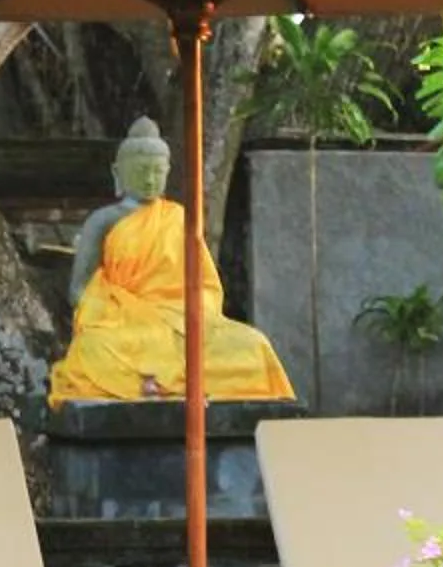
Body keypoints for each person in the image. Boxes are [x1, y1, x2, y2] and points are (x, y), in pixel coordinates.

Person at [48, 117, 295, 406]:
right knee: (92, 349)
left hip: (182, 325)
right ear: (118, 172)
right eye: (141, 171)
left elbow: (206, 286)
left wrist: (188, 313)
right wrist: (124, 310)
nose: (150, 180)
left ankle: (154, 381)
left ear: (167, 172)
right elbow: (78, 290)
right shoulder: (104, 221)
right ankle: (163, 380)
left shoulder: (179, 219)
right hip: (126, 328)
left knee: (253, 345)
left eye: (157, 171)